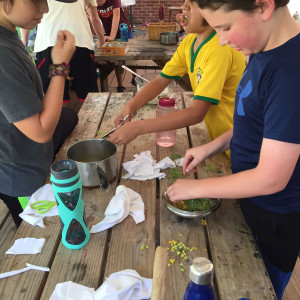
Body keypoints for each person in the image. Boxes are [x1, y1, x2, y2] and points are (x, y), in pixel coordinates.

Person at [166, 0, 300, 299]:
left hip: (275, 216)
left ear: (264, 7)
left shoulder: (291, 73)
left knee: (256, 286)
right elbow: (254, 121)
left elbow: (271, 178)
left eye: (226, 27)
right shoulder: (261, 48)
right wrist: (212, 146)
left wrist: (196, 189)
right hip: (248, 197)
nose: (223, 39)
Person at [109, 0, 245, 161]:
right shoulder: (189, 42)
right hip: (217, 142)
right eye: (184, 3)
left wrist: (139, 127)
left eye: (191, 5)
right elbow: (160, 81)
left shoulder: (219, 49)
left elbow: (197, 113)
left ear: (212, 11)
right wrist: (129, 107)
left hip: (237, 145)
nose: (183, 8)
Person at [0, 0, 77, 227]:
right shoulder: (3, 55)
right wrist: (60, 66)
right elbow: (41, 132)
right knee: (46, 235)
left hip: (24, 151)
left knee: (69, 116)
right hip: (22, 176)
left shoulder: (9, 32)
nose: (44, 8)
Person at [33, 0, 105, 109]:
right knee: (88, 96)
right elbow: (95, 19)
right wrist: (102, 42)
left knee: (56, 97)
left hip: (49, 42)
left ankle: (62, 122)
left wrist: (23, 42)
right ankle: (90, 123)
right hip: (80, 43)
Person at [96, 0, 135, 92]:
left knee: (132, 57)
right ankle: (120, 85)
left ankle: (135, 79)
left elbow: (116, 16)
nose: (98, 3)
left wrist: (112, 36)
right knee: (116, 59)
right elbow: (96, 21)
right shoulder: (94, 4)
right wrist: (102, 35)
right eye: (96, 1)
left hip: (124, 30)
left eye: (99, 1)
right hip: (110, 33)